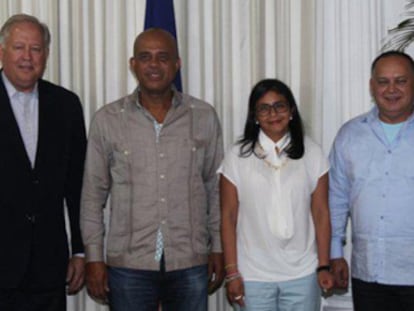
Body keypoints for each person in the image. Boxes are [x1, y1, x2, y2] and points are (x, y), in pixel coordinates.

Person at [80, 28, 224, 311]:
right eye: (145, 57)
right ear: (133, 64)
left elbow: (214, 188)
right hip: (129, 265)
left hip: (190, 260)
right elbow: (92, 195)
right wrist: (94, 258)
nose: (154, 65)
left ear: (177, 64)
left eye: (163, 57)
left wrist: (218, 247)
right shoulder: (107, 120)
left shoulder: (204, 116)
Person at [219, 78, 334, 310]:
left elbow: (321, 212)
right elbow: (228, 216)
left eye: (279, 106)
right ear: (255, 115)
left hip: (302, 273)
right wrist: (231, 273)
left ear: (291, 111)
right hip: (253, 275)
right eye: (264, 108)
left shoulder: (312, 152)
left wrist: (323, 265)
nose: (273, 113)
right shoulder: (237, 156)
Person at [0, 14, 87, 310]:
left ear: (46, 55)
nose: (27, 57)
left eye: (35, 49)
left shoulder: (66, 105)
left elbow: (77, 187)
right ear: (2, 52)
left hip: (48, 269)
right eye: (19, 47)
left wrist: (79, 250)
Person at [329, 50, 414, 311]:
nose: (391, 89)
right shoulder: (350, 134)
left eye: (401, 81)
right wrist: (334, 252)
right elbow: (337, 197)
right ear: (371, 85)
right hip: (368, 273)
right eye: (383, 81)